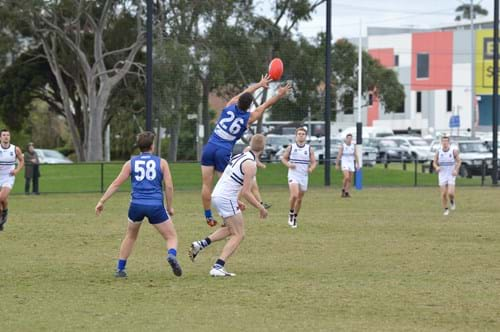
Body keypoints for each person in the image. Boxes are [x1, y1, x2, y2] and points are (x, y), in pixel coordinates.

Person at [201, 76, 291, 227]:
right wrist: (279, 94)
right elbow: (265, 105)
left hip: (210, 147)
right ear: (249, 107)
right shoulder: (248, 118)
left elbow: (246, 92)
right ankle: (227, 216)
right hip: (224, 150)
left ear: (238, 101)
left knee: (206, 185)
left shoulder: (229, 105)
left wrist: (259, 84)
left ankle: (208, 216)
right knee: (227, 185)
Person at [95, 131, 182, 278]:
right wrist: (169, 207)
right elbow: (168, 186)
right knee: (171, 237)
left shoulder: (130, 163)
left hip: (136, 206)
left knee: (130, 236)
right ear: (152, 146)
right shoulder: (162, 163)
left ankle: (120, 269)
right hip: (155, 206)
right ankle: (171, 255)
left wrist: (102, 201)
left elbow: (116, 184)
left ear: (139, 147)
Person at [189, 134, 268, 277]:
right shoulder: (250, 164)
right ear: (263, 148)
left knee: (230, 229)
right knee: (239, 234)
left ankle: (200, 244)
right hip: (225, 198)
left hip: (219, 195)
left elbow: (230, 179)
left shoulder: (240, 156)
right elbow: (246, 192)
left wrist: (236, 201)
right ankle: (218, 266)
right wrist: (260, 207)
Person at [281, 128, 317, 228]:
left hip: (303, 176)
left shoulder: (309, 149)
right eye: (299, 134)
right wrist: (289, 165)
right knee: (294, 195)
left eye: (303, 134)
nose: (301, 135)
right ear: (296, 136)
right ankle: (291, 213)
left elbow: (314, 162)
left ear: (306, 136)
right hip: (293, 175)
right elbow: (283, 158)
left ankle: (295, 217)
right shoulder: (291, 147)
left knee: (300, 199)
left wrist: (311, 168)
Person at [0, 129, 24, 231]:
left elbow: (22, 161)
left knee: (1, 197)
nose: (6, 137)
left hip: (8, 177)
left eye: (8, 135)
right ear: (0, 137)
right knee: (2, 201)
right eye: (4, 135)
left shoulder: (15, 149)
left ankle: (4, 214)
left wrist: (17, 170)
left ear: (9, 137)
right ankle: (2, 219)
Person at [433, 135, 461, 216]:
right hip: (442, 174)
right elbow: (434, 162)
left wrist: (456, 170)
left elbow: (459, 161)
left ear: (449, 142)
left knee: (450, 193)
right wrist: (437, 167)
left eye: (446, 141)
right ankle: (446, 209)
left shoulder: (453, 151)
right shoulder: (438, 151)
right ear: (441, 142)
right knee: (444, 194)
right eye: (443, 141)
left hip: (451, 174)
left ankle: (452, 201)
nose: (445, 143)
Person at [335, 133, 359, 198]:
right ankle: (343, 189)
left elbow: (355, 155)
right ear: (346, 139)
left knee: (350, 179)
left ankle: (346, 192)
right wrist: (337, 164)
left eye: (351, 138)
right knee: (346, 177)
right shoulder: (343, 146)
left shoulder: (353, 146)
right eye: (348, 138)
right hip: (345, 162)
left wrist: (357, 164)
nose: (349, 139)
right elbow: (339, 155)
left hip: (351, 162)